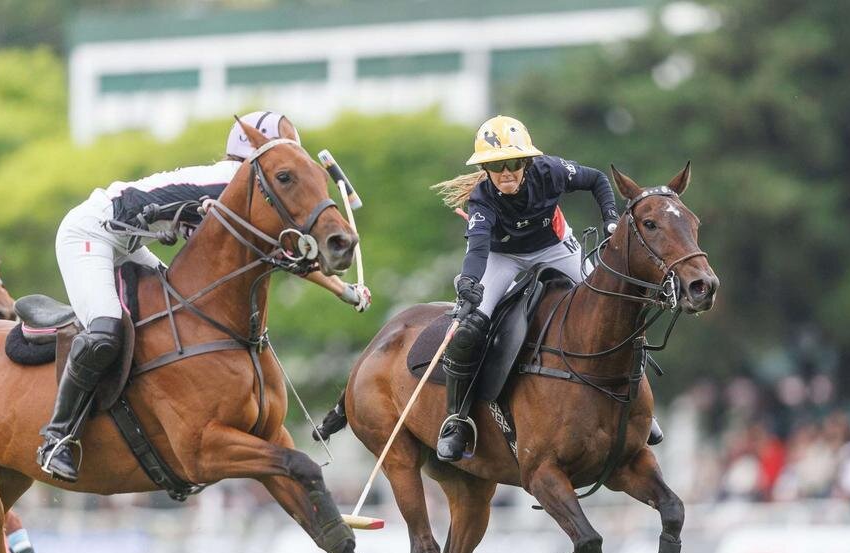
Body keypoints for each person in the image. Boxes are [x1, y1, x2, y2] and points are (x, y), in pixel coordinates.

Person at [37, 111, 371, 481]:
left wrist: (344, 289)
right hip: (92, 233)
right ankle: (58, 437)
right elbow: (282, 253)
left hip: (130, 243)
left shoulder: (252, 193)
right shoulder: (232, 186)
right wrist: (342, 289)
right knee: (105, 330)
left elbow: (282, 255)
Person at [430, 114, 662, 462]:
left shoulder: (550, 171)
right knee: (469, 329)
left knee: (611, 311)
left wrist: (611, 219)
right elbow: (478, 249)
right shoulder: (481, 200)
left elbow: (597, 180)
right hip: (502, 255)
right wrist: (468, 285)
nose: (507, 172)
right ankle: (457, 421)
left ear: (527, 161)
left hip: (554, 247)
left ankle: (642, 407)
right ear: (486, 169)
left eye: (515, 162)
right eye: (497, 165)